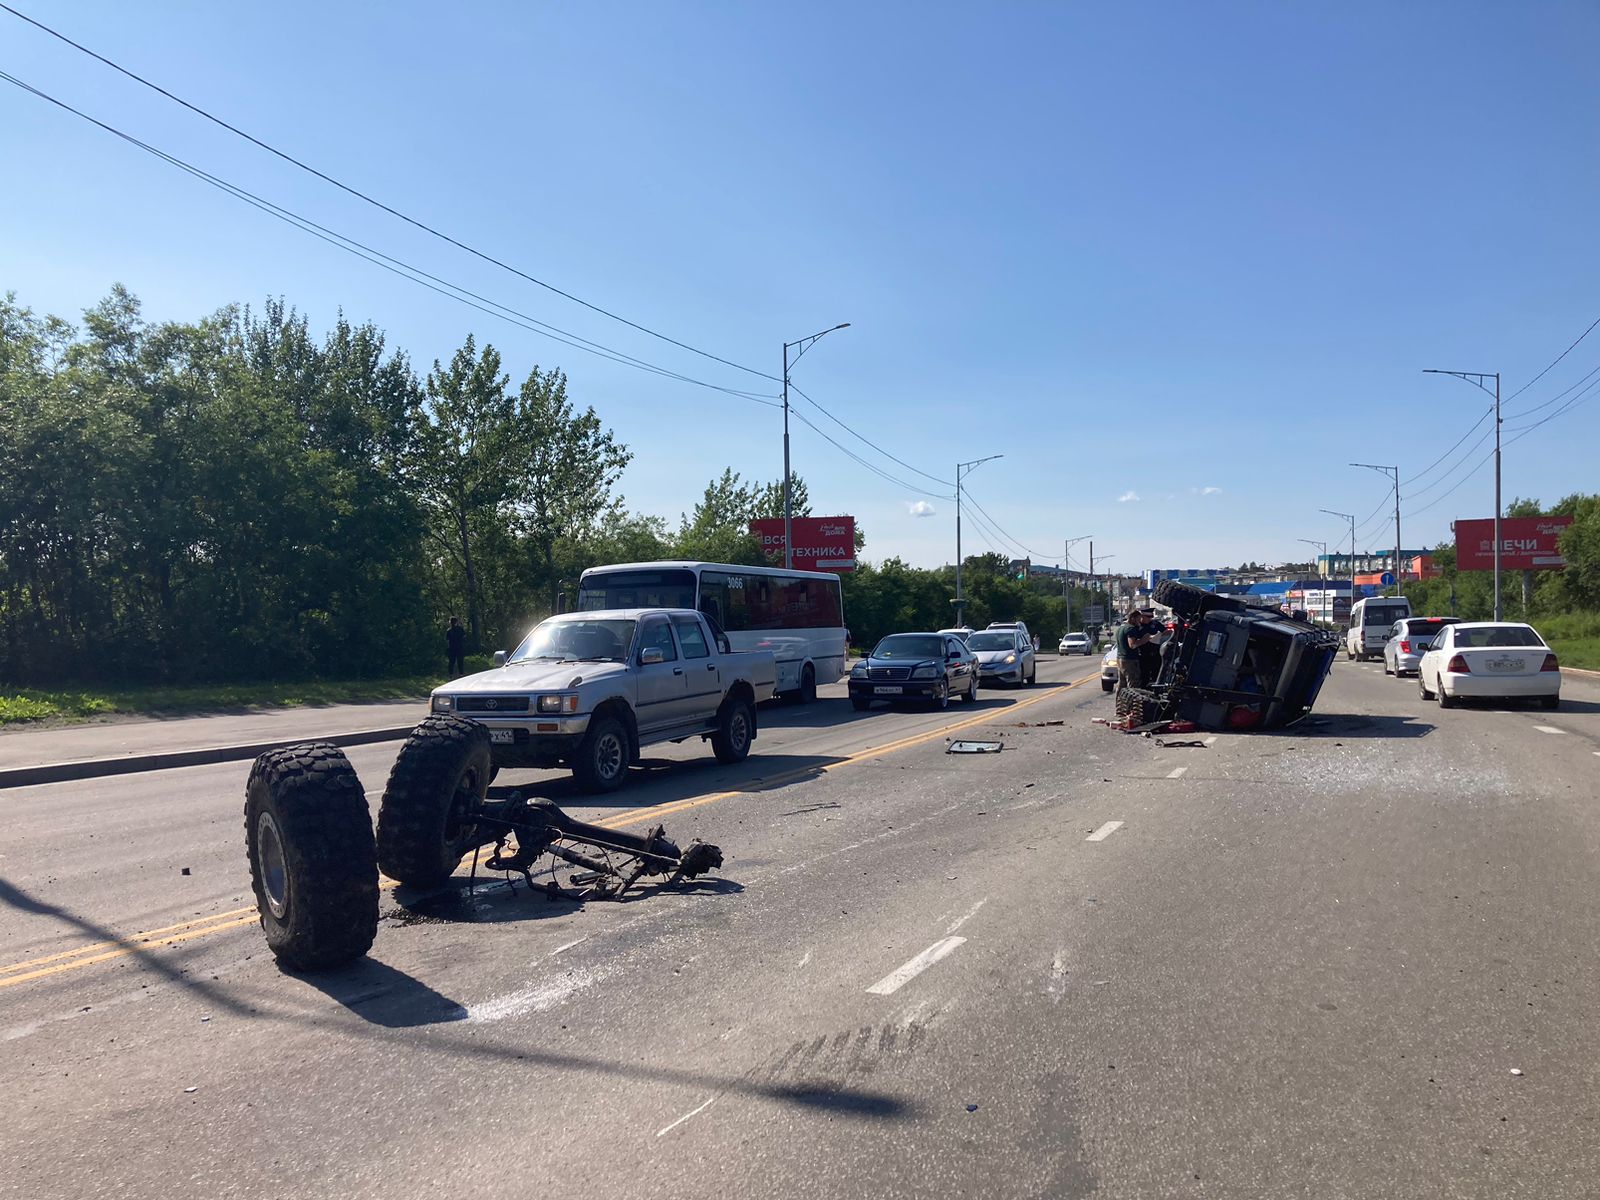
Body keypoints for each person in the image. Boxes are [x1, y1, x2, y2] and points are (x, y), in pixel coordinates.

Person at [1115, 609, 1156, 693]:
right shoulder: (1130, 629)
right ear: (1133, 618)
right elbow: (1132, 645)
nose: (1139, 621)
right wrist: (1144, 640)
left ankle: (1120, 703)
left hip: (1120, 658)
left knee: (1122, 684)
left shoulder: (1121, 628)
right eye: (1138, 619)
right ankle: (1133, 705)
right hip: (1130, 660)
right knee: (1134, 685)